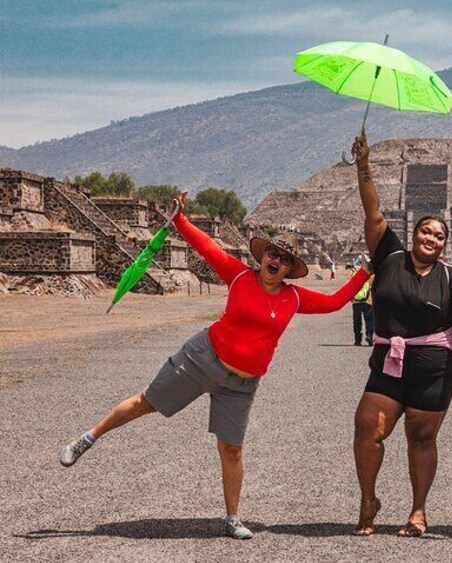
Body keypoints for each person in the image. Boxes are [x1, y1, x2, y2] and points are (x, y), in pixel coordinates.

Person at [58, 192, 371, 540]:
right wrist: (180, 219)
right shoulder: (238, 275)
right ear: (262, 256)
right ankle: (88, 438)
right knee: (147, 402)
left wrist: (364, 274)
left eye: (284, 259)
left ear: (289, 269)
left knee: (232, 448)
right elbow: (207, 247)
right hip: (202, 358)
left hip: (241, 384)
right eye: (272, 253)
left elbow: (334, 302)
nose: (276, 260)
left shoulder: (293, 297)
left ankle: (232, 517)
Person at [350, 134, 452, 537]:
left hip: (433, 371)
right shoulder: (388, 256)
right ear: (413, 234)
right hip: (389, 364)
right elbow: (372, 209)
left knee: (421, 439)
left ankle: (418, 512)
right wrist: (364, 165)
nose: (430, 238)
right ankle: (368, 499)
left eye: (439, 235)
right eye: (425, 231)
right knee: (367, 429)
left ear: (445, 243)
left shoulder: (450, 279)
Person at [352, 271, 375, 345]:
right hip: (368, 301)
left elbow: (350, 286)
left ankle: (357, 340)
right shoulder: (370, 274)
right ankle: (369, 335)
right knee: (369, 320)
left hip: (356, 301)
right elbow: (374, 285)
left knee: (357, 321)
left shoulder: (353, 273)